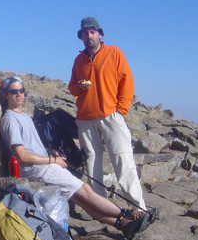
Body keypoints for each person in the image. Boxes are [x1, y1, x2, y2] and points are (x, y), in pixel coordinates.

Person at [0, 76, 150, 240]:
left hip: (45, 165)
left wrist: (51, 155)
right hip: (38, 170)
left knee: (80, 199)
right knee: (85, 190)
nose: (19, 94)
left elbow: (33, 148)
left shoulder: (24, 116)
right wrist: (52, 161)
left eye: (21, 90)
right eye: (14, 92)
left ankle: (123, 225)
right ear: (5, 95)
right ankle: (127, 215)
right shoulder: (10, 120)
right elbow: (22, 156)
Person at [68, 17, 160, 221]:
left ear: (100, 34)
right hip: (85, 118)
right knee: (92, 164)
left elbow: (127, 81)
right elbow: (72, 88)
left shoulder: (114, 53)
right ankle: (101, 210)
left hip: (111, 115)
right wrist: (79, 87)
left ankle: (138, 209)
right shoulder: (78, 60)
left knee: (123, 160)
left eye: (92, 32)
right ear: (81, 36)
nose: (89, 35)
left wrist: (121, 110)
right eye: (85, 33)